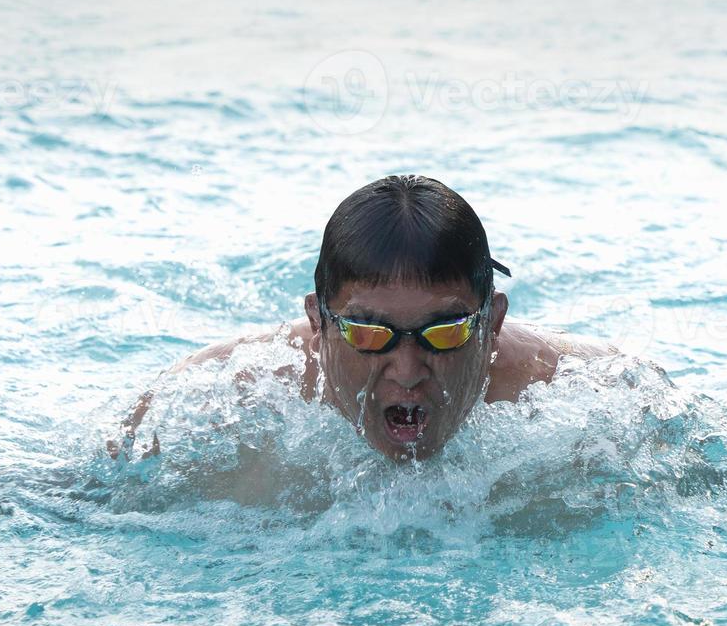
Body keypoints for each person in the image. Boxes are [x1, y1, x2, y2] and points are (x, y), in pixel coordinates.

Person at [110, 174, 619, 463]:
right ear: (319, 323)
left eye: (445, 333)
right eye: (370, 334)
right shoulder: (215, 401)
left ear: (491, 326)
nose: (407, 369)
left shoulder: (589, 397)